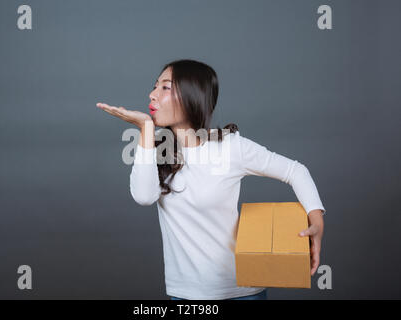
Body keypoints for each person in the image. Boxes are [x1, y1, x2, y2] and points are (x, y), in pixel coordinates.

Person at [96, 59, 325, 300]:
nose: (152, 95)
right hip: (185, 295)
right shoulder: (155, 150)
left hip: (242, 292)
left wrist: (317, 222)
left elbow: (295, 171)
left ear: (192, 96)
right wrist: (144, 127)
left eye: (165, 87)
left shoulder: (229, 147)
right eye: (155, 86)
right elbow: (143, 197)